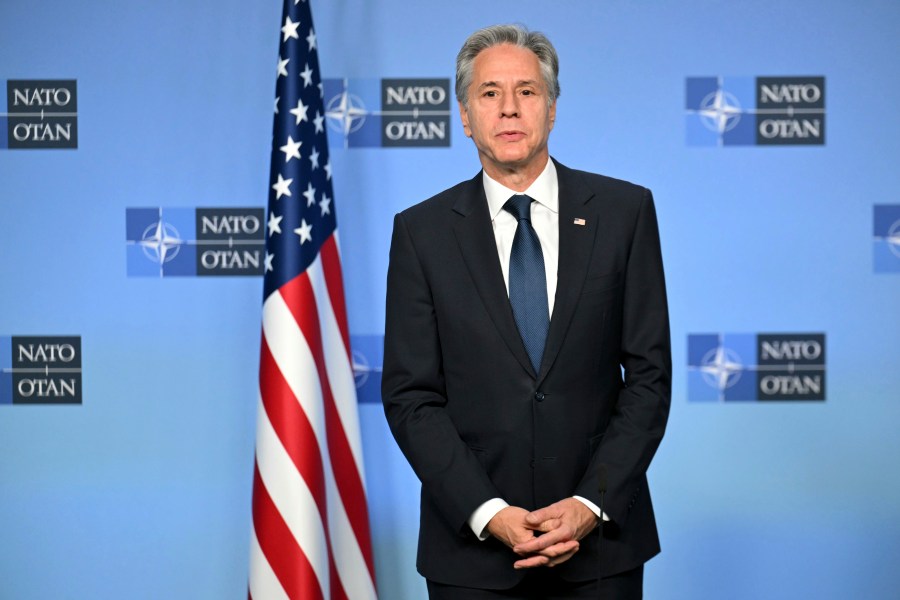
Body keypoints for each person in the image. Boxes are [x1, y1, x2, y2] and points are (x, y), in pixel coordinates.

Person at [381, 24, 671, 599]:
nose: (509, 109)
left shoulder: (624, 213)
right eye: (489, 93)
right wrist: (487, 512)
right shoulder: (421, 233)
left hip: (600, 555)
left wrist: (593, 503)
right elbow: (412, 396)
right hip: (472, 559)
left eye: (527, 91)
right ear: (465, 116)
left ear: (553, 109)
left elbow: (649, 378)